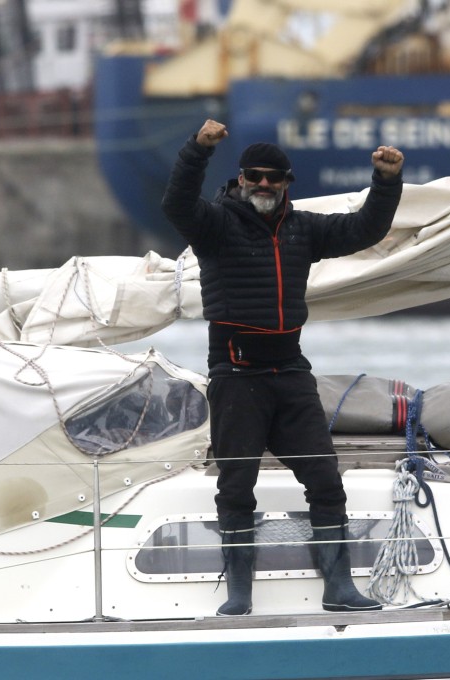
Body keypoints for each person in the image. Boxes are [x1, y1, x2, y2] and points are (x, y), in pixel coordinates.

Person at [161, 119, 404, 616]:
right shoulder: (216, 225)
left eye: (275, 177)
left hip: (290, 371)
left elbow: (365, 230)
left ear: (288, 183)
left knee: (325, 481)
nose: (265, 184)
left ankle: (339, 588)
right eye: (256, 176)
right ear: (242, 179)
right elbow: (176, 205)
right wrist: (197, 149)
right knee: (236, 488)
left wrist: (386, 181)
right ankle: (240, 594)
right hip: (235, 374)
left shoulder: (304, 229)